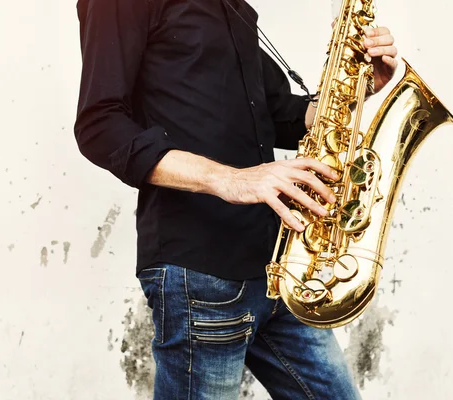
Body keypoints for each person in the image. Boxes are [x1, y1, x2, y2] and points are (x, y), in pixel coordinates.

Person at [74, 0, 398, 398]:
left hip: (276, 270)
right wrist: (229, 180)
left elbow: (279, 114)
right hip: (201, 274)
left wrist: (356, 89)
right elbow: (99, 125)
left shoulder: (232, 7)